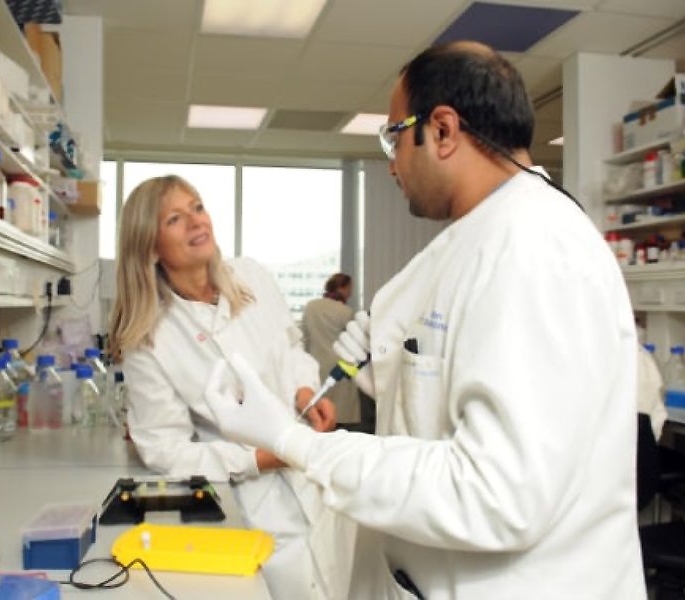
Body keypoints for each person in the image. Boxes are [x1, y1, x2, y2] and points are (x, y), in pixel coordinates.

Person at [204, 41, 646, 599]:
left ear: (442, 130)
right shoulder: (474, 236)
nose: (390, 163)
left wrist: (297, 444)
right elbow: (436, 373)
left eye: (394, 136)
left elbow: (496, 494)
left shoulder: (535, 248)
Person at [107, 175, 354, 600]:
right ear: (150, 246)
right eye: (175, 218)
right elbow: (164, 450)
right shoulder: (149, 338)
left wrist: (302, 389)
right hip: (256, 504)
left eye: (198, 208)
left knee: (345, 578)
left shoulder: (251, 276)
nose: (196, 222)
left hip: (316, 476)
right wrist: (258, 459)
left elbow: (291, 345)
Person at [301, 273, 361, 426]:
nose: (351, 292)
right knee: (340, 418)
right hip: (341, 368)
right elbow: (356, 343)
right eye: (350, 288)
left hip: (316, 366)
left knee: (318, 415)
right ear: (343, 287)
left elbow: (304, 339)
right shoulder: (345, 312)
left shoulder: (311, 306)